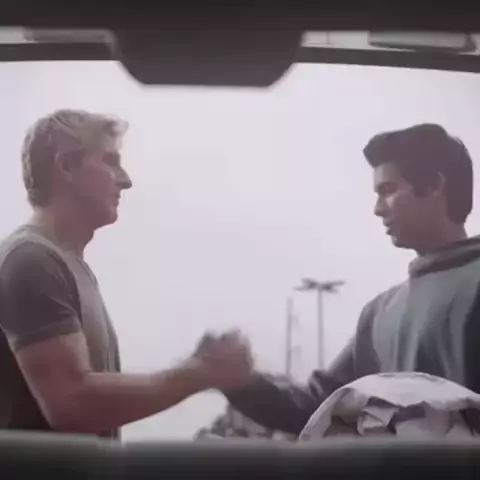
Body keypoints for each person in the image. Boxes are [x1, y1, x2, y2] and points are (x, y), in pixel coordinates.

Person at [0, 109, 252, 438]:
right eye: (110, 161)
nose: (125, 180)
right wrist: (199, 374)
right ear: (66, 166)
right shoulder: (31, 259)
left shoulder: (65, 264)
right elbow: (73, 403)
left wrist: (198, 367)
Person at [218, 123, 480, 436]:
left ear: (435, 185)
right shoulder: (379, 314)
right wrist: (239, 382)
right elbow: (317, 407)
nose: (378, 209)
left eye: (388, 190)